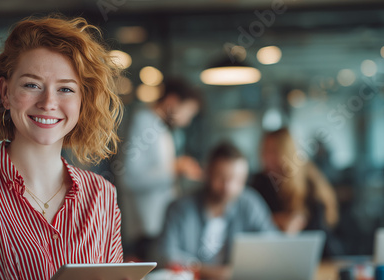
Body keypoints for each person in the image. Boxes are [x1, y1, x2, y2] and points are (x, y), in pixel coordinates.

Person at [0, 15, 124, 279]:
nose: (48, 102)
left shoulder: (102, 195)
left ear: (82, 101)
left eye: (65, 89)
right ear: (5, 93)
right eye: (32, 85)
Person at [158, 142, 277, 280]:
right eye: (221, 178)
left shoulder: (250, 203)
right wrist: (209, 271)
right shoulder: (180, 208)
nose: (228, 187)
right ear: (208, 172)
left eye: (237, 180)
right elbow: (164, 254)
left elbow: (272, 243)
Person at [118, 78, 203, 260]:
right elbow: (128, 177)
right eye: (188, 112)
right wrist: (174, 169)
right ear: (172, 102)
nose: (187, 121)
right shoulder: (144, 122)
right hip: (146, 225)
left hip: (157, 222)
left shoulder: (159, 127)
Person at [250, 127, 343, 256]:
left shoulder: (309, 182)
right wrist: (276, 221)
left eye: (273, 151)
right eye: (264, 151)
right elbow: (250, 221)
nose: (266, 157)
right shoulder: (259, 182)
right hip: (273, 253)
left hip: (314, 253)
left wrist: (300, 221)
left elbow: (321, 228)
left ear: (286, 152)